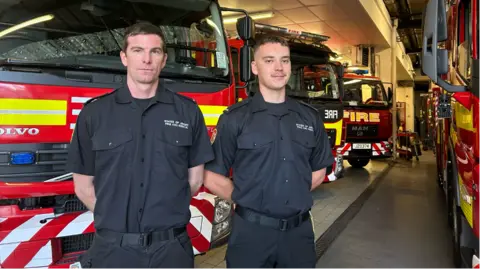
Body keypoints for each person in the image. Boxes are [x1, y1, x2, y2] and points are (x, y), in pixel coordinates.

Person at [67, 21, 214, 269]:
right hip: (113, 250)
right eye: (137, 51)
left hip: (171, 250)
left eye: (154, 51)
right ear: (124, 57)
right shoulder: (94, 114)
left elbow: (194, 180)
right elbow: (83, 187)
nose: (146, 59)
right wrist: (117, 221)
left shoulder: (188, 112)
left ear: (164, 59)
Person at [203, 35, 334, 269]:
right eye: (269, 60)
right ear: (255, 67)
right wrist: (247, 199)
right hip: (250, 235)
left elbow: (319, 169)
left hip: (298, 235)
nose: (278, 68)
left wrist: (289, 193)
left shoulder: (309, 117)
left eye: (284, 60)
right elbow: (211, 175)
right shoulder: (235, 118)